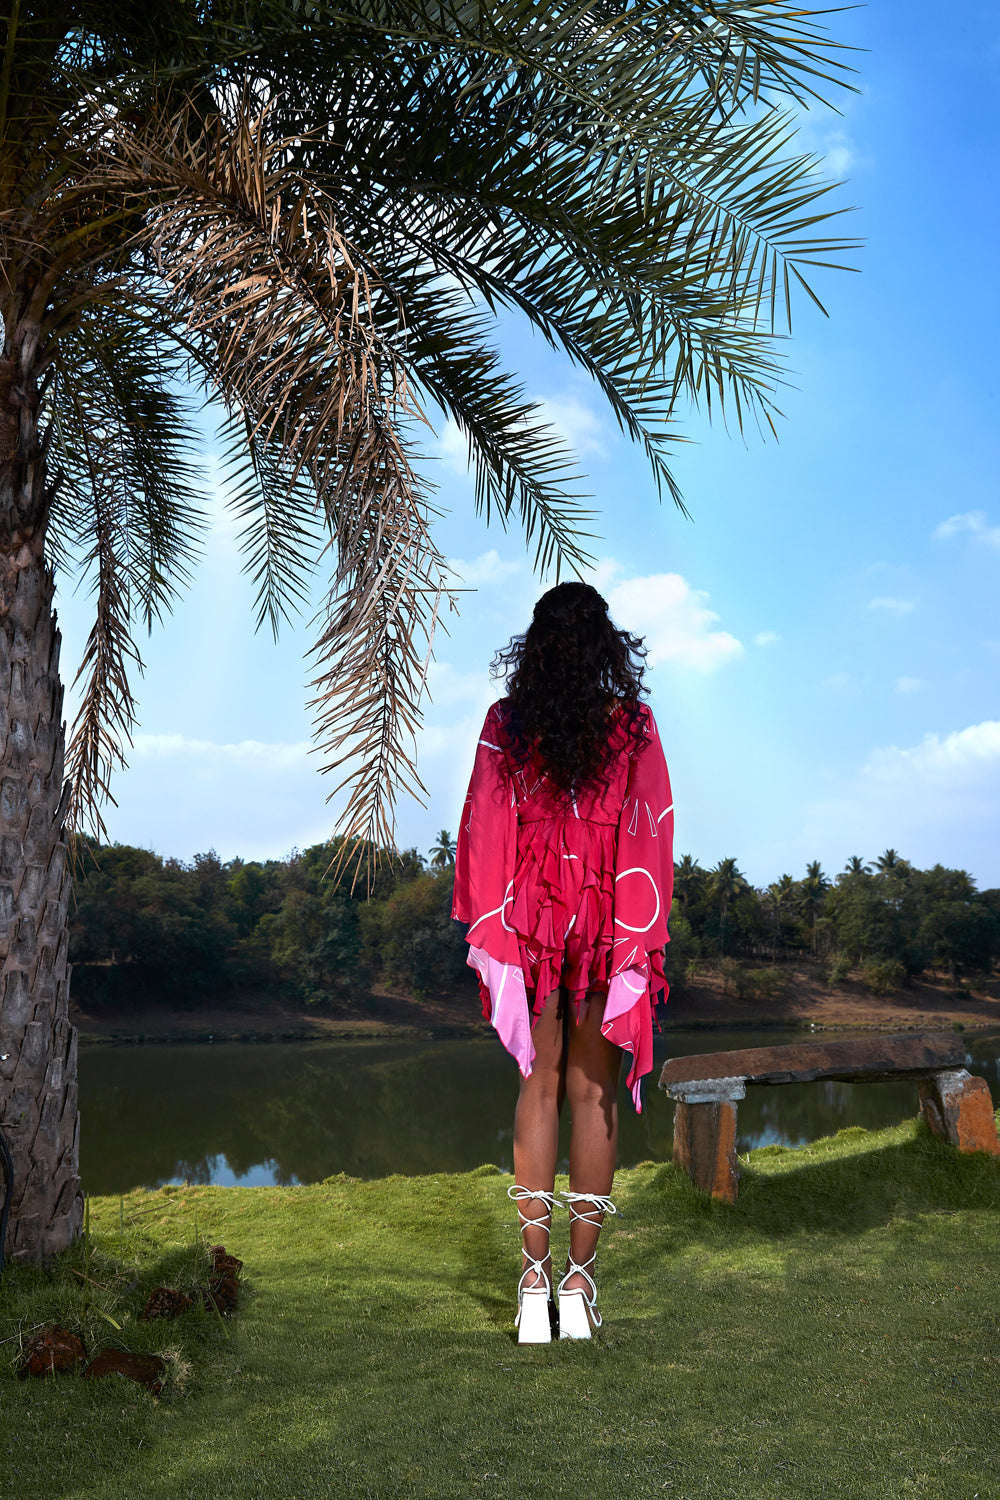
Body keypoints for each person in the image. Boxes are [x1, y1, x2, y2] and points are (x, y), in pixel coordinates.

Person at [452, 582, 673, 1344]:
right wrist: (638, 940)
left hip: (532, 928)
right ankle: (578, 1289)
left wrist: (497, 934)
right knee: (593, 1093)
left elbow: (483, 830)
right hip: (610, 925)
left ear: (534, 646)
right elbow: (651, 831)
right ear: (607, 645)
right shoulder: (633, 727)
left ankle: (532, 1283)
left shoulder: (506, 727)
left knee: (537, 1090)